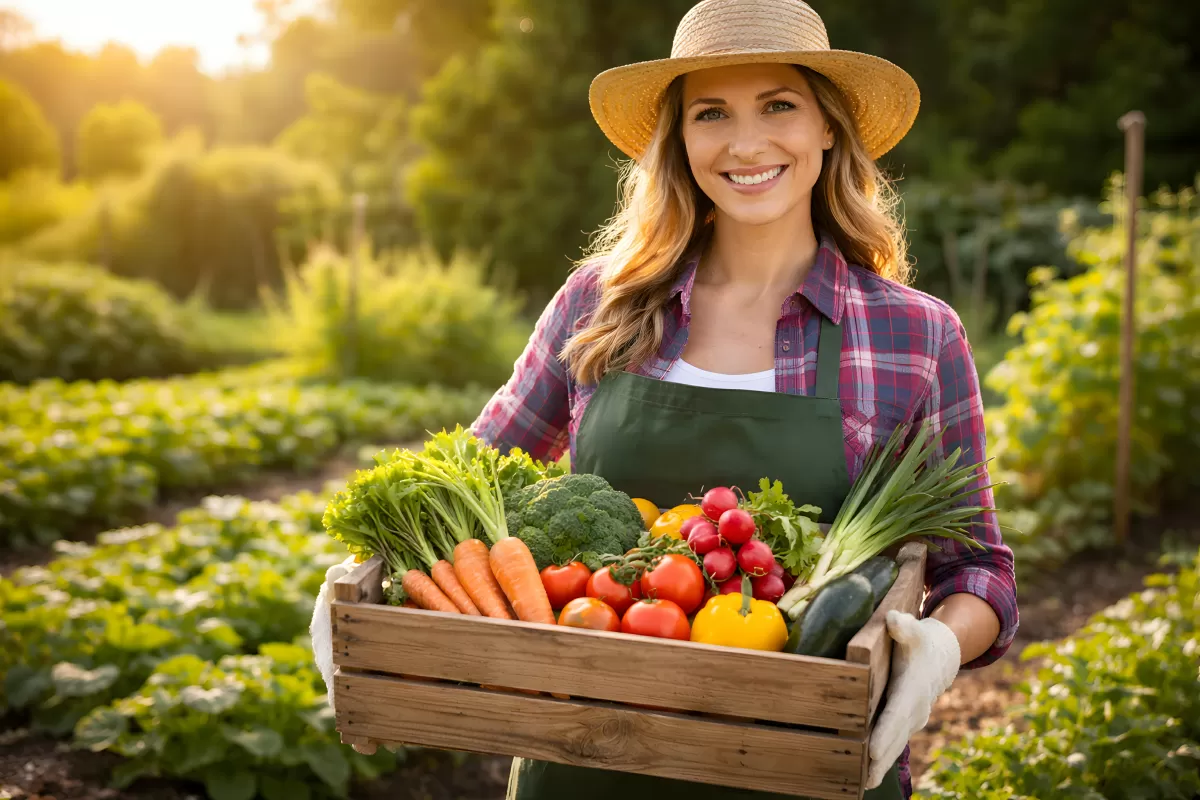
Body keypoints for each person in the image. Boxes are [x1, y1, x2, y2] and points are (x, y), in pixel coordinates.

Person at [313, 0, 1018, 797]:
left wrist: (940, 648)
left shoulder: (915, 335)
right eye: (711, 113)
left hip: (805, 764)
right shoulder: (598, 305)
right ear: (679, 141)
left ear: (829, 127)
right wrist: (366, 573)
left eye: (778, 105)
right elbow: (468, 474)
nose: (746, 143)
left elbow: (979, 571)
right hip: (581, 756)